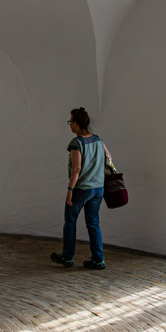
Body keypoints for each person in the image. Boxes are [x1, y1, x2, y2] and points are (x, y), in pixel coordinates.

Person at [51, 107, 112, 270]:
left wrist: (70, 190)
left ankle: (68, 257)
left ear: (76, 124)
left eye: (70, 122)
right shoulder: (98, 139)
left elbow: (77, 168)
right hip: (98, 189)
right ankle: (98, 260)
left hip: (81, 189)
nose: (70, 125)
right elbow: (109, 158)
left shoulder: (76, 143)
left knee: (70, 222)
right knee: (93, 223)